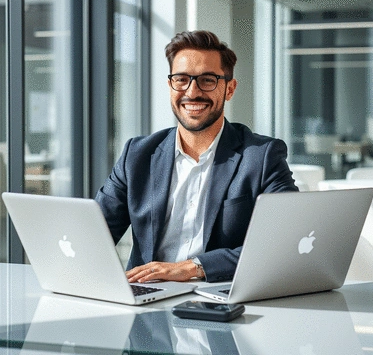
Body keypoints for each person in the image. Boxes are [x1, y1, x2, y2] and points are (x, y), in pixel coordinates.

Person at [95, 30, 298, 284]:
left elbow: (285, 241)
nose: (192, 92)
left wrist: (193, 268)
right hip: (147, 296)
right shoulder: (137, 154)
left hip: (221, 297)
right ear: (170, 85)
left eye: (207, 80)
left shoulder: (261, 157)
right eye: (181, 79)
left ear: (230, 88)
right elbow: (95, 234)